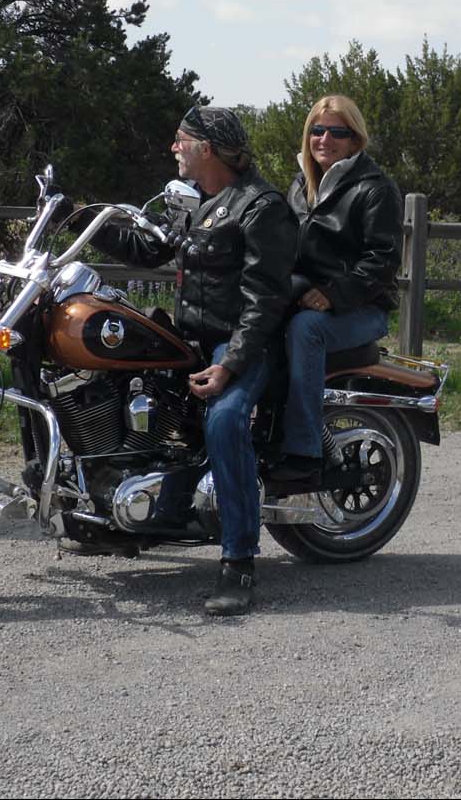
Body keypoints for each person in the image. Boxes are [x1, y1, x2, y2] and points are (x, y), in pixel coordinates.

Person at [89, 106, 295, 616]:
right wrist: (84, 218)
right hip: (190, 338)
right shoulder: (192, 203)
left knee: (225, 418)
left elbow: (264, 301)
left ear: (207, 147)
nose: (173, 148)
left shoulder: (260, 207)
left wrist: (231, 365)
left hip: (241, 342)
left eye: (181, 139)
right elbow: (147, 248)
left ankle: (239, 561)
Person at [270, 95, 402, 483]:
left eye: (337, 132)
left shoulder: (375, 189)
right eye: (318, 129)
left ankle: (305, 452)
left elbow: (383, 259)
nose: (325, 139)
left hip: (362, 309)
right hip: (306, 298)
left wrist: (333, 293)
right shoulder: (300, 185)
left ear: (355, 140)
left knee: (305, 330)